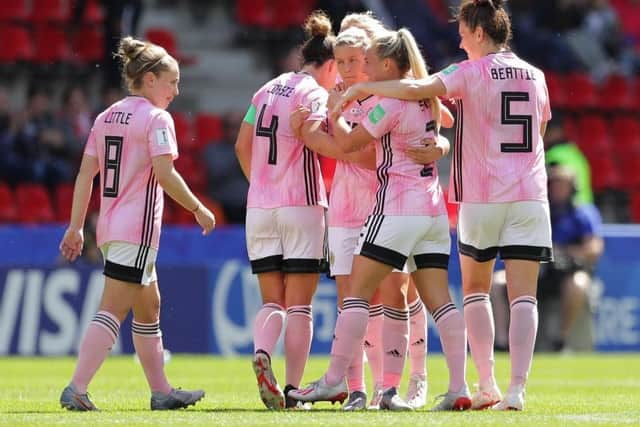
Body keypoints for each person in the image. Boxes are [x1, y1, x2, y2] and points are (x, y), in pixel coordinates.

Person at [333, 0, 553, 411]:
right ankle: (517, 390)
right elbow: (539, 129)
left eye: (464, 33)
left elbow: (417, 89)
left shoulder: (468, 71)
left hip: (483, 195)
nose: (460, 39)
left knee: (475, 290)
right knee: (526, 297)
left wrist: (365, 88)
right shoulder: (537, 76)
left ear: (480, 33)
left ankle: (485, 382)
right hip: (531, 195)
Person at [290, 27, 470, 412]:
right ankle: (459, 386)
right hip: (433, 211)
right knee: (440, 301)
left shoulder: (387, 103)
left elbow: (350, 143)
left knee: (355, 294)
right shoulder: (424, 97)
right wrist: (441, 144)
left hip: (395, 209)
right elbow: (444, 129)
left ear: (388, 63)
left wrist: (336, 112)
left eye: (369, 62)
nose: (364, 69)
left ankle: (333, 380)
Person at [58, 36, 216, 411]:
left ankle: (161, 392)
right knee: (113, 308)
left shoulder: (106, 115)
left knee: (150, 307)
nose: (176, 91)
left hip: (111, 227)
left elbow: (85, 175)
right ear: (149, 80)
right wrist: (197, 207)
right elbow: (165, 172)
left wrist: (77, 226)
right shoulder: (156, 118)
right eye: (171, 82)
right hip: (137, 229)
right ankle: (77, 388)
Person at [234, 10, 336, 410]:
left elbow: (242, 146)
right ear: (327, 66)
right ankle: (293, 391)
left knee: (271, 302)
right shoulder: (315, 94)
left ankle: (262, 352)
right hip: (302, 204)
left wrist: (261, 183)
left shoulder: (265, 90)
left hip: (259, 206)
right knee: (300, 305)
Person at [539, 164, 604, 351]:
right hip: (541, 271)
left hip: (570, 270)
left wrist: (564, 252)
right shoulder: (541, 209)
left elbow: (594, 248)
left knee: (578, 283)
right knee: (500, 282)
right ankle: (505, 343)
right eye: (555, 184)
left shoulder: (583, 212)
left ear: (573, 188)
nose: (558, 189)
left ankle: (561, 339)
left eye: (564, 185)